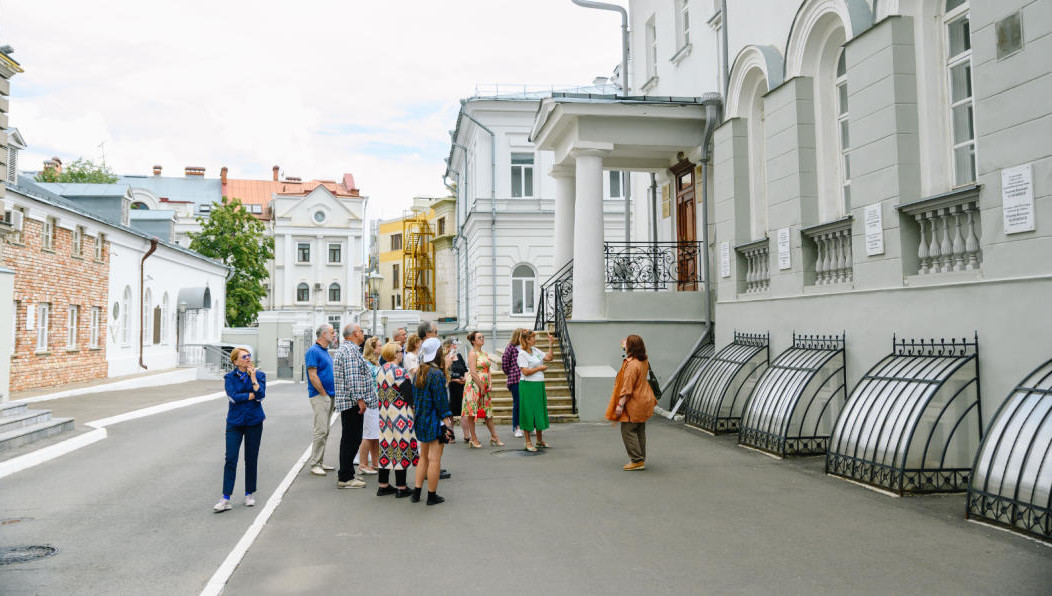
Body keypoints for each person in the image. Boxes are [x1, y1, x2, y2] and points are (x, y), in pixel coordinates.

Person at [214, 348, 266, 512]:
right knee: (230, 458)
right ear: (236, 361)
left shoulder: (260, 375)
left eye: (249, 356)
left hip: (254, 422)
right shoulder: (229, 378)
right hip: (235, 423)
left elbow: (261, 396)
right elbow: (233, 397)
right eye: (244, 357)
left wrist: (253, 379)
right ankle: (225, 498)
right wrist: (251, 395)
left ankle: (249, 493)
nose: (248, 359)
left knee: (251, 458)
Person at [605, 335, 658, 471]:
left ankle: (637, 460)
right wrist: (625, 344)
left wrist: (620, 405)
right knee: (639, 430)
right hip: (645, 399)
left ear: (631, 347)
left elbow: (627, 388)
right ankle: (640, 458)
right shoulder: (643, 361)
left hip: (634, 402)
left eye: (627, 344)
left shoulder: (631, 365)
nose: (624, 346)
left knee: (628, 430)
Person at [411, 337, 454, 505]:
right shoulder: (436, 374)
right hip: (435, 421)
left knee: (424, 457)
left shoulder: (420, 371)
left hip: (421, 419)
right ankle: (431, 496)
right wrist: (448, 425)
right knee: (435, 459)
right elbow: (442, 403)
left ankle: (416, 493)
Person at [332, 324, 373, 489]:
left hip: (350, 402)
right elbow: (353, 378)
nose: (363, 333)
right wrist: (360, 400)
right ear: (355, 334)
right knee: (351, 439)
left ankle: (347, 473)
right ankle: (346, 477)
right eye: (361, 331)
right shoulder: (350, 351)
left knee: (350, 439)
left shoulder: (348, 350)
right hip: (352, 403)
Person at [375, 342, 418, 497]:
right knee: (401, 446)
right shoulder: (399, 371)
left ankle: (383, 485)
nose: (403, 353)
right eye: (401, 351)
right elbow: (409, 394)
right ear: (395, 353)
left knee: (386, 447)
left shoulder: (381, 370)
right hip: (400, 414)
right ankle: (401, 487)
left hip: (385, 415)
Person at [305, 324, 336, 477]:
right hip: (320, 396)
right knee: (321, 430)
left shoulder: (324, 351)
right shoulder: (313, 351)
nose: (334, 334)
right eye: (332, 332)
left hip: (328, 395)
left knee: (325, 430)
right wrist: (324, 394)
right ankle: (315, 464)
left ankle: (320, 461)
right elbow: (312, 375)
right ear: (323, 334)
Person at [463, 330, 502, 447]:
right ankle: (473, 439)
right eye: (480, 337)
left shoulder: (484, 353)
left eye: (483, 337)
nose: (482, 339)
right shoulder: (472, 353)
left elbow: (488, 370)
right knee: (472, 412)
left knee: (487, 412)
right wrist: (481, 387)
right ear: (473, 341)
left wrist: (489, 383)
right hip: (474, 386)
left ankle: (494, 436)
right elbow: (473, 373)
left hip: (484, 384)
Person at [517, 329, 554, 452]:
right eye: (533, 337)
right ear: (527, 340)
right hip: (527, 386)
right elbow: (525, 372)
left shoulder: (536, 350)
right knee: (528, 412)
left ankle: (539, 440)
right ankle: (528, 442)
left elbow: (549, 357)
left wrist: (551, 344)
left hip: (538, 385)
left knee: (539, 411)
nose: (535, 339)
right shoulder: (522, 353)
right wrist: (539, 368)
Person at [359, 336, 382, 475]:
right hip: (370, 403)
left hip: (376, 403)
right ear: (372, 348)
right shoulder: (367, 364)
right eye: (378, 346)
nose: (381, 347)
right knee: (368, 435)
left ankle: (375, 461)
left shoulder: (375, 363)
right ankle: (362, 464)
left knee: (375, 434)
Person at [502, 328, 525, 438]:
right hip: (515, 379)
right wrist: (512, 372)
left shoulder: (526, 347)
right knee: (518, 403)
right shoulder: (511, 347)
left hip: (528, 379)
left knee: (527, 404)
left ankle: (528, 426)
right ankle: (517, 427)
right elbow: (505, 364)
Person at [447, 338, 468, 437]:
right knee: (450, 412)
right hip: (451, 387)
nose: (455, 346)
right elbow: (445, 373)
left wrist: (465, 378)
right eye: (453, 345)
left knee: (463, 411)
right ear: (448, 346)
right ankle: (451, 435)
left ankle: (467, 435)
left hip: (461, 386)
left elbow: (465, 369)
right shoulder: (445, 357)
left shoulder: (459, 356)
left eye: (456, 345)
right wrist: (454, 380)